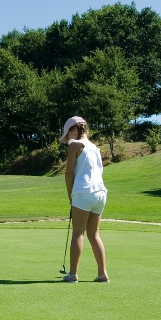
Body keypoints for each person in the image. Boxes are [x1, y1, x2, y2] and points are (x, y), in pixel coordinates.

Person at [60, 116, 109, 283]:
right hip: (100, 193)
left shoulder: (74, 145)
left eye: (69, 134)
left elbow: (68, 174)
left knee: (78, 233)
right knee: (94, 234)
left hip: (83, 192)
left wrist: (70, 195)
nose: (69, 139)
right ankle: (102, 274)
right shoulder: (95, 148)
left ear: (74, 130)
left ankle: (73, 274)